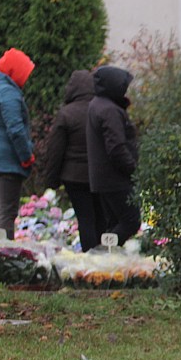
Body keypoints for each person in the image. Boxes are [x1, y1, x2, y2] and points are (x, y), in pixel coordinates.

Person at [44, 70, 104, 251]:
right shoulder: (102, 109)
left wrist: (51, 180)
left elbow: (55, 151)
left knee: (85, 218)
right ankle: (103, 260)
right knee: (101, 217)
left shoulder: (66, 114)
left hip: (74, 177)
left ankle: (89, 261)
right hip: (100, 175)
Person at [86, 65, 140, 246]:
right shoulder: (109, 110)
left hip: (103, 178)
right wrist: (133, 168)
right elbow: (116, 148)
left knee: (115, 222)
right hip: (115, 178)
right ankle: (103, 255)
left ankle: (109, 263)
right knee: (130, 221)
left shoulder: (97, 105)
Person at [0, 48, 36, 240]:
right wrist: (26, 157)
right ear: (14, 71)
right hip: (7, 161)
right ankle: (3, 258)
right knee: (7, 212)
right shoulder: (8, 94)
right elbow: (15, 129)